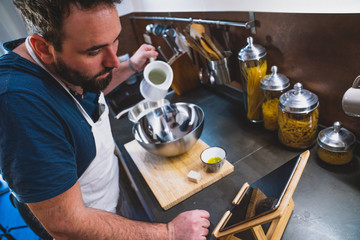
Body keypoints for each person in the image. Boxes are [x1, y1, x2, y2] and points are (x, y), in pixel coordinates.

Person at [0, 0, 210, 239]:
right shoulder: (17, 104)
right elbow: (67, 224)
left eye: (115, 40)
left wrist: (130, 66)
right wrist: (170, 232)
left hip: (110, 199)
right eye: (94, 51)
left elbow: (91, 83)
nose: (113, 61)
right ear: (44, 49)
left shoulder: (66, 62)